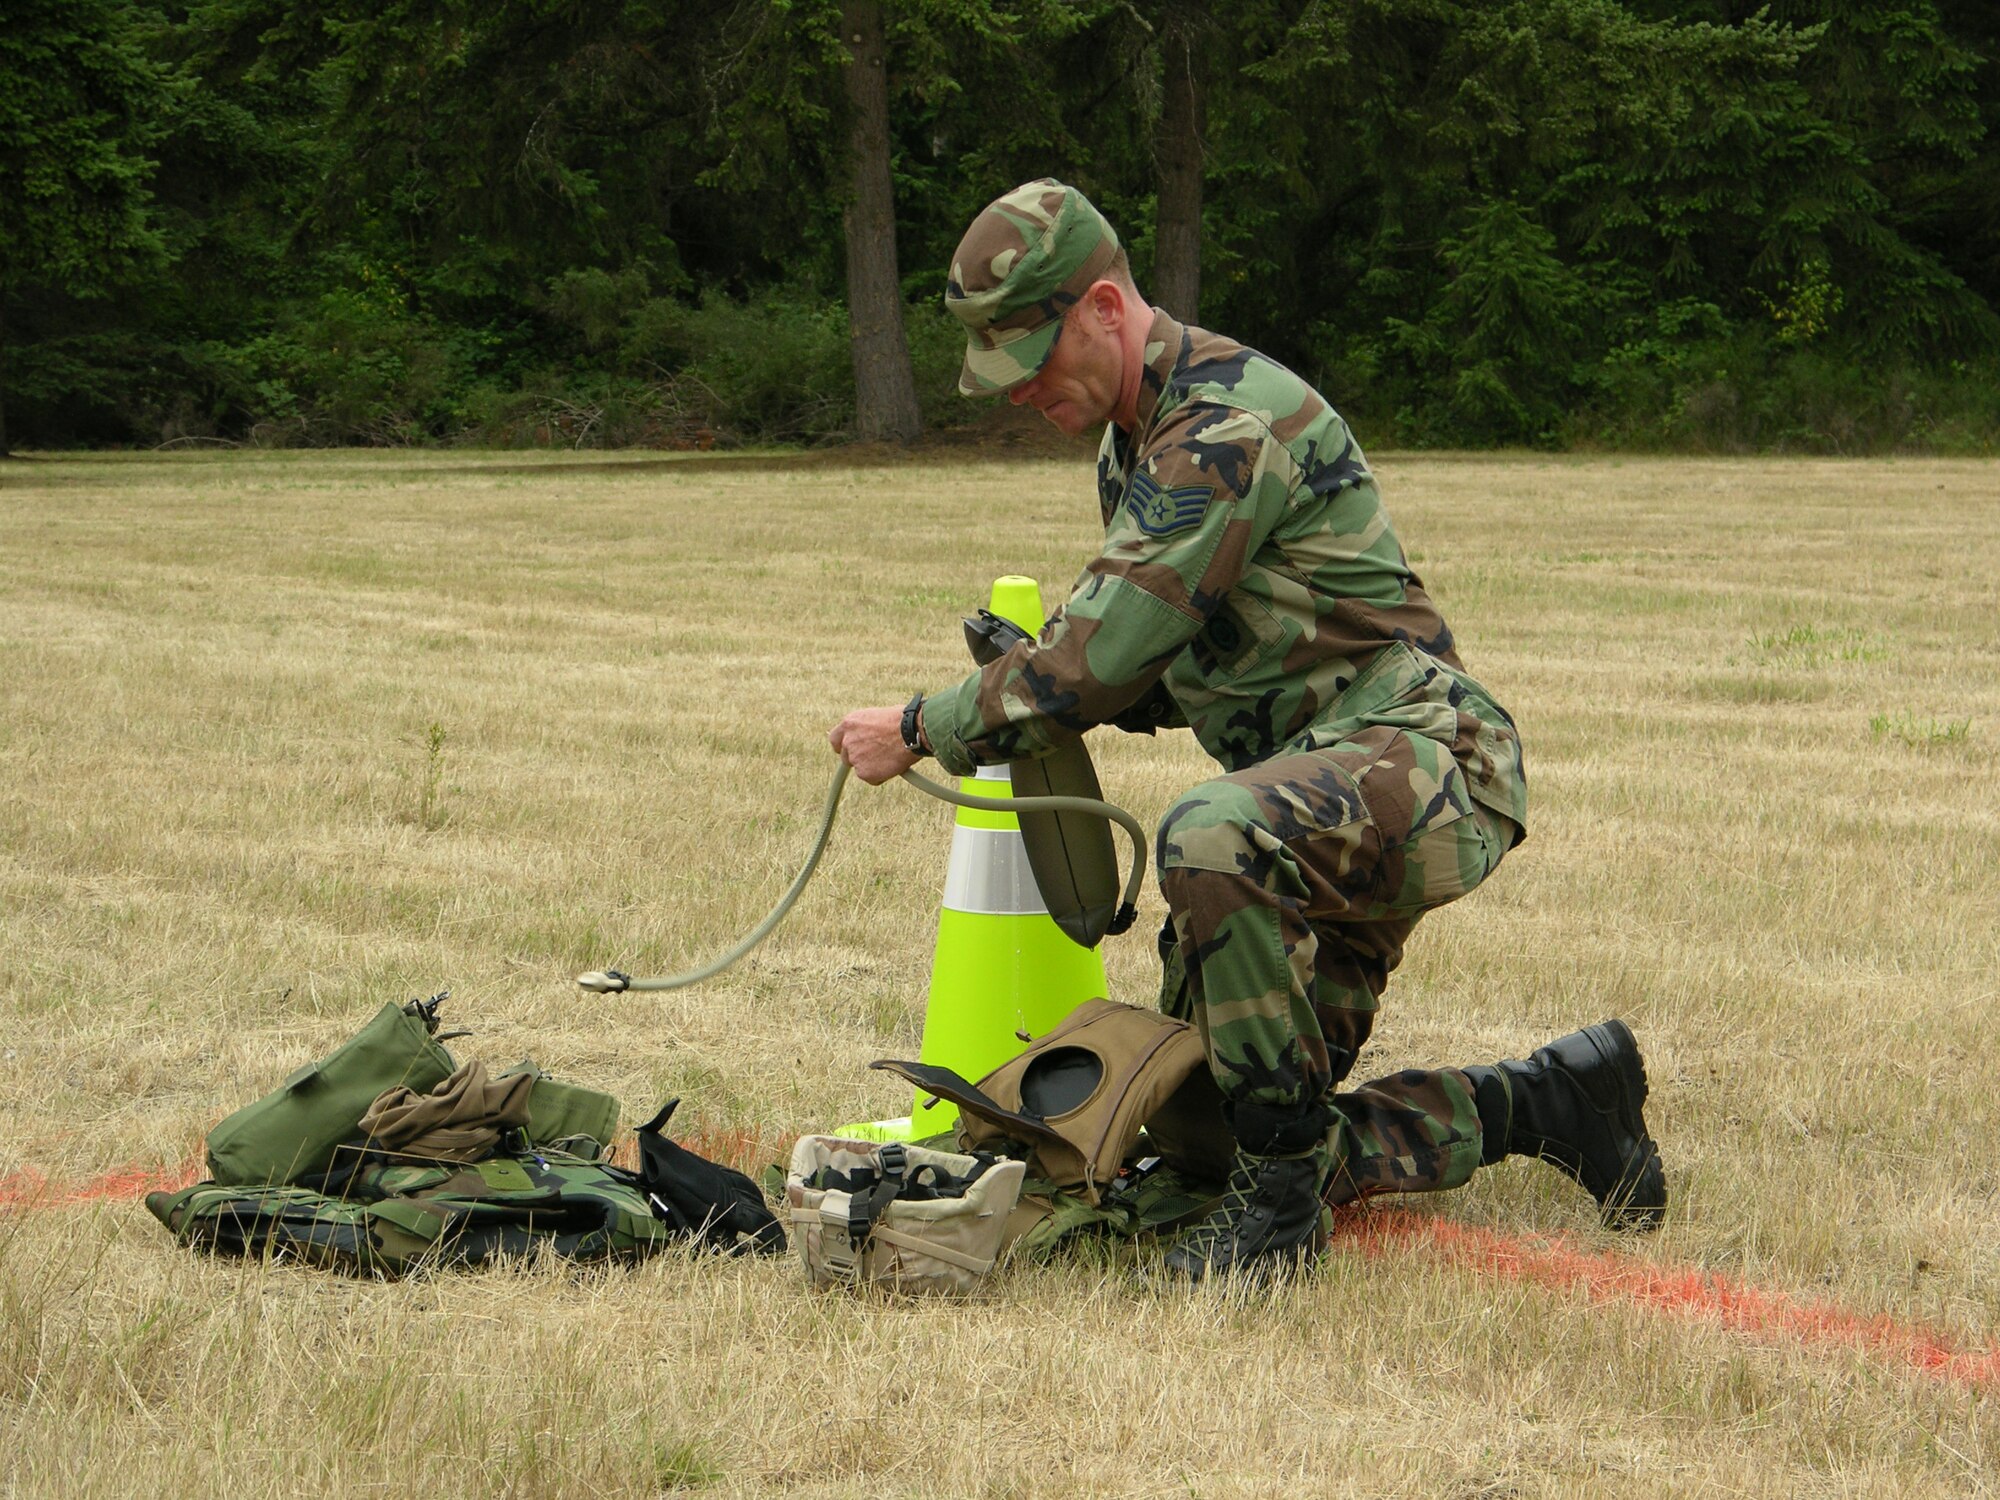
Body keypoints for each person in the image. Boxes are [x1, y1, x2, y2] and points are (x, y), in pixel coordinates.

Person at [829, 179, 1665, 1281]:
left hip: (1422, 758)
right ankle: (1548, 1100)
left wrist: (921, 725)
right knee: (1200, 1137)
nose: (1020, 392)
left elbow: (1097, 661)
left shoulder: (1221, 426)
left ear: (1105, 308)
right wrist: (1039, 677)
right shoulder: (1131, 447)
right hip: (1313, 792)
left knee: (1207, 833)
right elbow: (1168, 669)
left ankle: (1277, 1223)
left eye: (1033, 357)